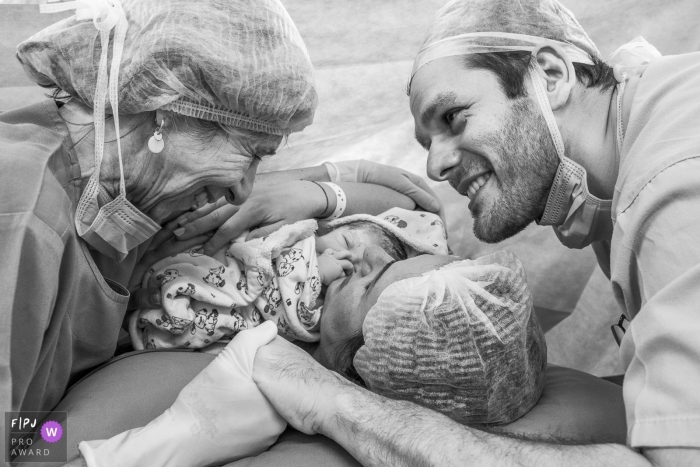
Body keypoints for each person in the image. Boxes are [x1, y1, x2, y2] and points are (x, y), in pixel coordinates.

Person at [234, 0, 700, 465]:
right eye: (427, 142)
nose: (435, 165)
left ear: (552, 75)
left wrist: (336, 404)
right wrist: (322, 184)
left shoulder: (677, 189)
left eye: (454, 117)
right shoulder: (629, 154)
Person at [0, 0, 441, 426]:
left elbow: (412, 205)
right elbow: (14, 446)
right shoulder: (26, 220)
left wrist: (325, 185)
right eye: (252, 154)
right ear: (166, 115)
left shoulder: (122, 197)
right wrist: (68, 452)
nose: (244, 187)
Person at [68, 248, 546, 467]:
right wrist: (329, 186)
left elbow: (26, 446)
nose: (368, 255)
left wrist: (172, 439)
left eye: (369, 283)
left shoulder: (210, 374)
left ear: (359, 363)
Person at [128, 206, 446, 351]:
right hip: (221, 272)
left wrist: (319, 278)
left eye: (362, 267)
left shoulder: (331, 308)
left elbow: (295, 316)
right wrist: (314, 267)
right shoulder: (300, 241)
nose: (349, 260)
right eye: (347, 243)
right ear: (327, 229)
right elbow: (265, 257)